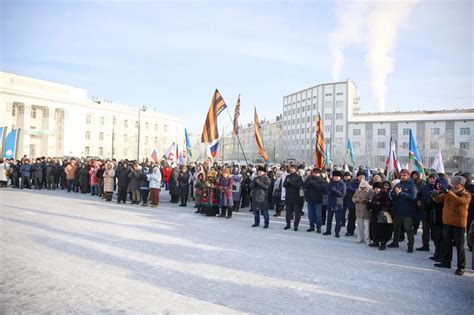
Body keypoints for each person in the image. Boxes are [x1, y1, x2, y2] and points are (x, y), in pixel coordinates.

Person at [432, 175, 471, 275]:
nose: (454, 186)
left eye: (456, 184)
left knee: (459, 246)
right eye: (453, 184)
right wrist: (434, 195)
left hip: (459, 224)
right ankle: (446, 262)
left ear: (462, 185)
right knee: (446, 243)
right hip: (447, 222)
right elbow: (438, 199)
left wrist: (448, 192)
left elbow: (460, 202)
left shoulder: (466, 195)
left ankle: (461, 266)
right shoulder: (449, 193)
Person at [388, 169, 418, 253]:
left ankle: (410, 246)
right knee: (396, 228)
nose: (402, 176)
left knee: (408, 229)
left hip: (407, 212)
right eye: (401, 175)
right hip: (397, 210)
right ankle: (395, 242)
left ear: (408, 176)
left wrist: (401, 193)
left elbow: (413, 197)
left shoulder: (412, 185)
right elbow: (392, 194)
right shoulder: (398, 184)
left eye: (404, 175)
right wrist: (396, 194)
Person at [367, 182, 392, 250]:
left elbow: (387, 204)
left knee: (382, 229)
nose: (376, 190)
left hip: (381, 214)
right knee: (375, 228)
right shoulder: (374, 194)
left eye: (377, 188)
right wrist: (370, 204)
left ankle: (383, 243)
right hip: (375, 213)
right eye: (375, 189)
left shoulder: (384, 194)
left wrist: (380, 205)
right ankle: (375, 241)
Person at [416, 174, 437, 251]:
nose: (432, 180)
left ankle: (437, 250)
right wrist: (418, 200)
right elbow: (419, 195)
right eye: (431, 178)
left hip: (435, 213)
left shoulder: (439, 188)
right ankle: (425, 245)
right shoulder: (425, 187)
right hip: (425, 212)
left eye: (434, 178)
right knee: (425, 230)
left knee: (435, 232)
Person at [302, 168, 327, 233]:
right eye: (314, 173)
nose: (314, 174)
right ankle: (311, 226)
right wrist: (309, 183)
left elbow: (322, 188)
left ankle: (318, 228)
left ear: (319, 173)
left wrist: (313, 184)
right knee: (310, 215)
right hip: (310, 199)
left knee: (318, 215)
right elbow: (304, 185)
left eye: (316, 173)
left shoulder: (322, 180)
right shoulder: (309, 178)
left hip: (318, 200)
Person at [323, 170, 346, 238]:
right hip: (330, 203)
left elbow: (343, 194)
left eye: (337, 176)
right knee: (329, 219)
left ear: (340, 177)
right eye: (334, 176)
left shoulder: (342, 184)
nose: (335, 178)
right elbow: (327, 191)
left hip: (338, 204)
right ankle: (328, 230)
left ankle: (337, 232)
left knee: (338, 220)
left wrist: (336, 191)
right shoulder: (330, 183)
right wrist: (331, 192)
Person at [353, 180, 374, 244]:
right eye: (361, 186)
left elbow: (371, 199)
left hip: (366, 211)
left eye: (363, 187)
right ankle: (360, 238)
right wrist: (355, 200)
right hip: (358, 210)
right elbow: (353, 197)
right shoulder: (357, 190)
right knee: (359, 226)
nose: (362, 188)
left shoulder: (370, 191)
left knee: (367, 227)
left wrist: (364, 200)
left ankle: (367, 239)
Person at [283, 165, 303, 231]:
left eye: (293, 168)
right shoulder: (287, 176)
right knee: (288, 213)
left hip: (296, 197)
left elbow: (299, 186)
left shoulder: (299, 177)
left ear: (296, 169)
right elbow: (284, 185)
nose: (291, 169)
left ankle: (296, 226)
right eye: (290, 168)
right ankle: (288, 224)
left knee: (297, 213)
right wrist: (287, 183)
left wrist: (290, 182)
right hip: (288, 197)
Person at [346, 171, 365, 236]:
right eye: (360, 176)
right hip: (352, 203)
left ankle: (360, 233)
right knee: (351, 218)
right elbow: (349, 189)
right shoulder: (352, 182)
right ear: (357, 176)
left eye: (363, 176)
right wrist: (358, 190)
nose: (361, 177)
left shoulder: (366, 183)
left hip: (361, 204)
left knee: (361, 220)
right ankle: (350, 231)